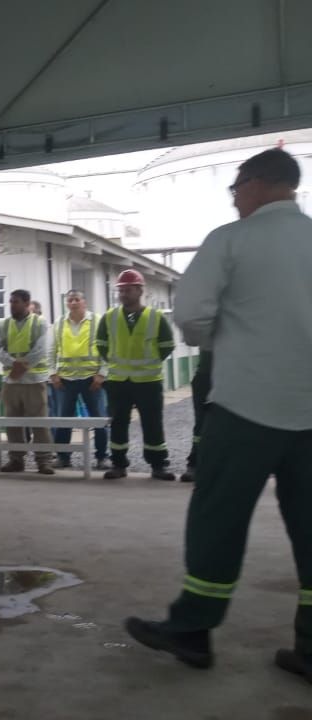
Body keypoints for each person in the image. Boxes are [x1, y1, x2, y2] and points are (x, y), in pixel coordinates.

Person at [125, 148, 312, 678]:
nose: (234, 199)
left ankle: (192, 630)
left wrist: (223, 341)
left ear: (256, 183)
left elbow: (191, 314)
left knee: (218, 518)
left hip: (245, 406)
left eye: (236, 188)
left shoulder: (232, 240)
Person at [96, 269, 177, 481]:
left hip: (148, 381)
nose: (123, 294)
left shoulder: (155, 317)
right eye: (121, 290)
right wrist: (115, 362)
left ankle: (158, 465)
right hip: (118, 381)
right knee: (118, 424)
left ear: (140, 291)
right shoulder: (110, 317)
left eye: (128, 290)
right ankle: (118, 464)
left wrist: (150, 362)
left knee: (153, 424)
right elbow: (101, 344)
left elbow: (167, 345)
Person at [0, 289, 54, 474]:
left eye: (16, 302)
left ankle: (44, 461)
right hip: (12, 382)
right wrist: (13, 364)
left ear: (27, 303)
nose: (12, 305)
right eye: (11, 301)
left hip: (34, 382)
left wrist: (20, 367)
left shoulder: (39, 322)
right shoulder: (3, 324)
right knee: (12, 423)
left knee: (39, 423)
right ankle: (16, 460)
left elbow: (40, 350)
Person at [48, 290, 110, 470]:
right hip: (65, 380)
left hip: (92, 379)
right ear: (66, 303)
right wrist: (53, 374)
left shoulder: (97, 321)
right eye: (70, 300)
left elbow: (108, 348)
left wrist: (102, 374)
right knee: (63, 420)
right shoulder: (59, 323)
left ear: (84, 302)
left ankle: (102, 457)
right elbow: (51, 350)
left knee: (98, 419)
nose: (73, 303)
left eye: (77, 299)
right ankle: (63, 457)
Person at [181, 347, 212, 484]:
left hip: (237, 378)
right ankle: (195, 464)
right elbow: (192, 338)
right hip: (206, 376)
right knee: (202, 424)